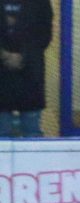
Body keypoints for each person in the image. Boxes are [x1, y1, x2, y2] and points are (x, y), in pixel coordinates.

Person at [0, 0, 53, 137]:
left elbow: (44, 35)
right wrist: (4, 55)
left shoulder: (40, 3)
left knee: (32, 133)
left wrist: (23, 56)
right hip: (3, 79)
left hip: (30, 75)